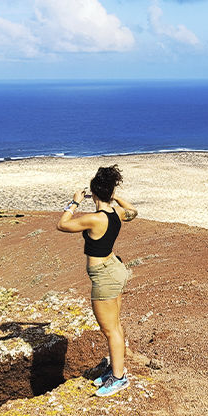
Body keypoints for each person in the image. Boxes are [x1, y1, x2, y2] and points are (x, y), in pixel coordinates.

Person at [56, 164, 138, 397]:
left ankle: (120, 378)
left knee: (109, 329)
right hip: (115, 269)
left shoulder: (94, 219)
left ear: (93, 193)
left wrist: (74, 202)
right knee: (116, 325)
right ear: (110, 192)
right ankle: (116, 369)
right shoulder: (117, 213)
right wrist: (115, 197)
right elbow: (133, 211)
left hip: (105, 277)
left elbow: (62, 224)